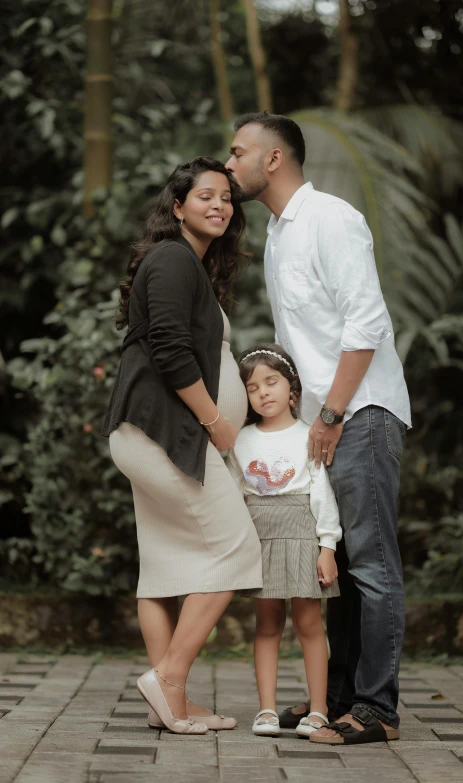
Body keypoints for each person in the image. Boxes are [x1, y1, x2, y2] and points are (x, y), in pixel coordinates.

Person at [225, 114, 411, 745]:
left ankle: (376, 710)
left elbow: (368, 325)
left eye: (237, 152)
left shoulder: (330, 218)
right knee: (341, 565)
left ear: (273, 159)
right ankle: (333, 702)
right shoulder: (279, 232)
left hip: (358, 413)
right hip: (322, 423)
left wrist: (329, 416)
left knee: (372, 564)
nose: (229, 164)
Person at [102, 157, 262, 735]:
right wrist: (217, 420)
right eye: (205, 197)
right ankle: (167, 679)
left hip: (152, 434)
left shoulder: (184, 263)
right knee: (237, 548)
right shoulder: (172, 258)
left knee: (167, 566)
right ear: (177, 207)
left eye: (227, 198)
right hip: (164, 433)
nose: (220, 206)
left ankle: (169, 698)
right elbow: (170, 348)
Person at [226, 344, 342, 738]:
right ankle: (267, 710)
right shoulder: (239, 441)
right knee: (267, 623)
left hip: (301, 534)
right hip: (259, 537)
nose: (263, 392)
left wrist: (328, 547)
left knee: (309, 622)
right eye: (252, 387)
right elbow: (232, 494)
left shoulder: (308, 434)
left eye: (271, 381)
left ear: (290, 386)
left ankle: (320, 710)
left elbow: (321, 492)